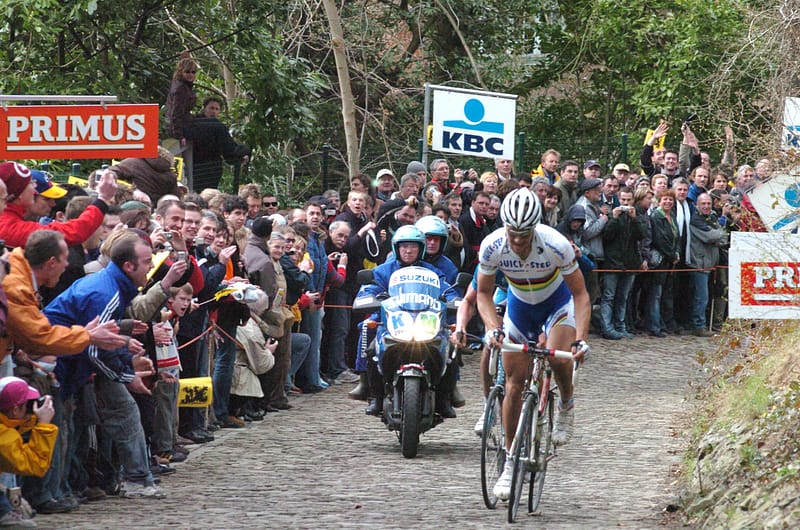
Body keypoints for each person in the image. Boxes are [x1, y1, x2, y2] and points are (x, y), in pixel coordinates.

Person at [476, 188, 590, 501]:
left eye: (524, 234)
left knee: (558, 358)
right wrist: (493, 328)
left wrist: (581, 338)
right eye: (512, 232)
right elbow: (483, 294)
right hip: (519, 309)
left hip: (557, 306)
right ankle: (511, 461)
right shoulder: (493, 246)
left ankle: (567, 400)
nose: (517, 240)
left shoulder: (555, 244)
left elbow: (580, 295)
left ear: (534, 228)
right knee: (513, 384)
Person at [45, 236, 165, 498]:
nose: (151, 266)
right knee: (72, 427)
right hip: (60, 364)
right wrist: (127, 375)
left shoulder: (110, 286)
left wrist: (123, 339)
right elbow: (96, 347)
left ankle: (69, 488)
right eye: (146, 262)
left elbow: (103, 334)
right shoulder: (104, 291)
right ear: (128, 266)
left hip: (70, 364)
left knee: (73, 428)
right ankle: (59, 491)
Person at [359, 226, 459, 418]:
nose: (408, 250)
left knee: (451, 350)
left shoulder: (432, 271)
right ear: (396, 248)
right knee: (371, 345)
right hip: (392, 322)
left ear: (420, 248)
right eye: (404, 246)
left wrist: (455, 300)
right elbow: (368, 288)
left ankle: (445, 397)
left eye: (413, 246)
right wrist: (370, 298)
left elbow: (448, 290)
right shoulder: (384, 270)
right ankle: (374, 395)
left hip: (425, 322)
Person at [0, 162, 117, 249]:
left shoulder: (11, 221)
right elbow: (71, 232)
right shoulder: (9, 227)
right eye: (31, 183)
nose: (35, 188)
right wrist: (103, 199)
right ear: (18, 194)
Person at [0, 377, 57, 527]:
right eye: (28, 405)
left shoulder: (6, 424)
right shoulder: (3, 435)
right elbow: (33, 464)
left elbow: (17, 423)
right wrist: (44, 425)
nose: (32, 408)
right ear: (15, 409)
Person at [687, 193, 728, 336]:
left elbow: (722, 239)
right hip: (700, 263)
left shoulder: (712, 217)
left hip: (710, 263)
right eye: (703, 203)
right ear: (697, 205)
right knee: (701, 297)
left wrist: (718, 234)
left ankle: (702, 324)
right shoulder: (696, 219)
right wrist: (719, 234)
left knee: (707, 295)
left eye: (708, 203)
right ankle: (698, 326)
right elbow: (712, 236)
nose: (706, 206)